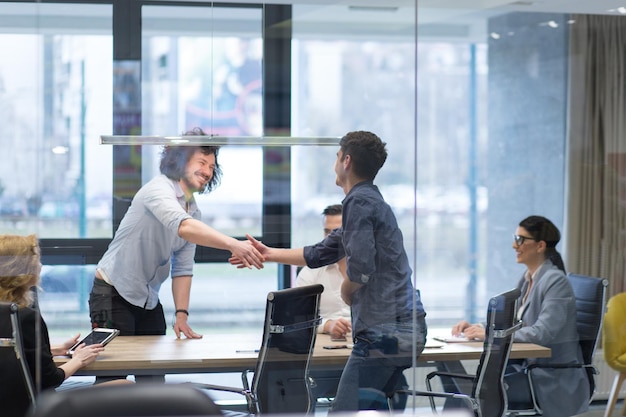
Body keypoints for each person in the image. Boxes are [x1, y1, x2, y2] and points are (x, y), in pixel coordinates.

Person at [232, 130, 427, 412]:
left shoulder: (358, 202)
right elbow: (321, 251)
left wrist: (347, 292)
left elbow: (360, 270)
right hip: (404, 329)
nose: (334, 162)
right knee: (373, 408)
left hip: (386, 333)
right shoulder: (370, 201)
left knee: (343, 411)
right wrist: (269, 253)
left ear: (346, 161)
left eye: (336, 156)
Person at [88, 127, 264, 381]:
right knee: (112, 380)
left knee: (154, 379)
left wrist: (182, 314)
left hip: (147, 300)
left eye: (212, 167)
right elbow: (182, 226)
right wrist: (233, 244)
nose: (207, 171)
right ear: (180, 161)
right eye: (201, 162)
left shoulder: (194, 211)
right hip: (113, 293)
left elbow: (182, 267)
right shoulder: (158, 190)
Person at [451, 215, 589, 417]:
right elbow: (512, 322)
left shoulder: (556, 282)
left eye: (520, 239)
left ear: (540, 246)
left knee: (473, 394)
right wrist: (476, 327)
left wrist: (490, 334)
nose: (514, 245)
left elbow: (543, 333)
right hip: (526, 371)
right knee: (466, 391)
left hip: (548, 378)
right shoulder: (528, 279)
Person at [0, 234, 129, 417]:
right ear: (21, 269)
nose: (41, 266)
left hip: (8, 404)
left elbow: (10, 353)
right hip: (37, 407)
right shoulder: (25, 317)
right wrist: (78, 359)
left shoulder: (7, 313)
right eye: (37, 260)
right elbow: (50, 379)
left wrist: (51, 349)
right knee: (125, 387)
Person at [294, 203, 351, 340]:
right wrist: (328, 325)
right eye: (327, 232)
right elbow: (298, 319)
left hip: (369, 344)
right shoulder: (310, 272)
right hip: (326, 344)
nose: (329, 239)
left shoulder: (373, 269)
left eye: (336, 233)